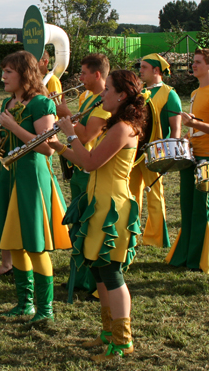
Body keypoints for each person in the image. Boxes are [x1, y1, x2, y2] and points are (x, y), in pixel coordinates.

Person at [49, 69, 147, 362]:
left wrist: (69, 134)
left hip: (112, 206)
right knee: (98, 270)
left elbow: (91, 163)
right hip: (98, 202)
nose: (101, 95)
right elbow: (85, 161)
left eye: (107, 91)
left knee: (111, 273)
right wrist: (59, 147)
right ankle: (108, 333)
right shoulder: (112, 125)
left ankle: (122, 340)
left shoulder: (122, 128)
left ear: (121, 95)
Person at [0, 50, 71, 323]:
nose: (3, 77)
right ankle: (25, 303)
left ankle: (45, 308)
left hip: (31, 178)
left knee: (34, 244)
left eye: (8, 72)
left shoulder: (41, 103)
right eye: (3, 71)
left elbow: (46, 148)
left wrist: (14, 126)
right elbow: (7, 146)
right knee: (15, 242)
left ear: (24, 73)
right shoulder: (6, 103)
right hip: (8, 175)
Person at [166, 48, 209, 273]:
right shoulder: (195, 92)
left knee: (202, 206)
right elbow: (197, 126)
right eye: (193, 62)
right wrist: (185, 138)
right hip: (192, 154)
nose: (193, 65)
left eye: (198, 62)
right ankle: (186, 255)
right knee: (187, 205)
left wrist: (194, 125)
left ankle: (203, 260)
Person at [61, 54, 111, 299]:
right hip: (80, 168)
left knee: (89, 227)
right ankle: (78, 277)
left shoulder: (105, 103)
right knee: (78, 226)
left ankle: (91, 281)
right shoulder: (88, 98)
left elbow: (86, 137)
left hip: (93, 169)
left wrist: (66, 115)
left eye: (83, 73)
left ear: (97, 75)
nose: (79, 78)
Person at [129, 53, 182, 248]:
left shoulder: (169, 93)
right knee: (131, 193)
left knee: (155, 194)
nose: (140, 71)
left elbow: (175, 128)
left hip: (155, 153)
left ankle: (155, 238)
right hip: (134, 153)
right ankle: (131, 233)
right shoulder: (139, 92)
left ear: (156, 70)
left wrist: (171, 155)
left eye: (144, 67)